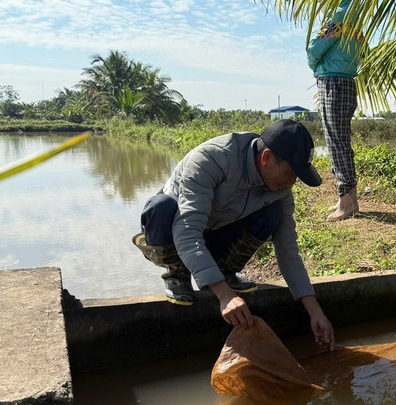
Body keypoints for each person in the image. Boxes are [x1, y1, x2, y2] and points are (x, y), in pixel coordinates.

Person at [132, 119, 335, 350]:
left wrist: (316, 312)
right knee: (161, 206)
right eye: (290, 173)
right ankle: (176, 274)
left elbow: (288, 250)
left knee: (273, 212)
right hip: (172, 235)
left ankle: (224, 270)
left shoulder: (281, 191)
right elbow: (187, 232)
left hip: (215, 234)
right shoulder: (211, 160)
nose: (292, 182)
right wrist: (225, 296)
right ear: (266, 158)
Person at [307, 0, 363, 222]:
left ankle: (347, 202)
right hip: (346, 80)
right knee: (340, 141)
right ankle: (348, 199)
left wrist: (312, 63)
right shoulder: (358, 14)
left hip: (334, 82)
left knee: (336, 143)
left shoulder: (339, 14)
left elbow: (315, 48)